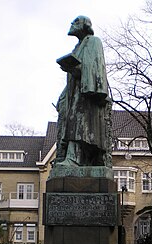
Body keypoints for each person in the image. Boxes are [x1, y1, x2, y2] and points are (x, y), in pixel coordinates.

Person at [55, 16, 111, 167]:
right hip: (75, 94)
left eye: (76, 21)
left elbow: (94, 68)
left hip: (87, 94)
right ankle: (73, 157)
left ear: (85, 26)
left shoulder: (93, 42)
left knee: (78, 124)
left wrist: (78, 70)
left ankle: (73, 158)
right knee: (74, 123)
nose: (72, 24)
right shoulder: (77, 47)